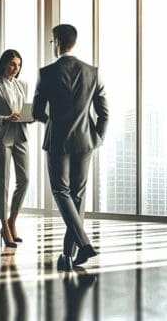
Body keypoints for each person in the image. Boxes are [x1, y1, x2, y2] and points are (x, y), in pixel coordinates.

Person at [33, 24, 109, 270]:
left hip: (58, 140)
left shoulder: (46, 73)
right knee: (77, 195)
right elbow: (104, 113)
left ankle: (83, 244)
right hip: (86, 141)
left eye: (52, 41)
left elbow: (36, 111)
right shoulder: (92, 72)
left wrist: (53, 122)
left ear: (56, 41)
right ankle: (68, 254)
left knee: (60, 190)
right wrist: (97, 138)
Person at [0, 49, 31, 248]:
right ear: (4, 64)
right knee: (2, 182)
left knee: (25, 180)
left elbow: (25, 109)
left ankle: (12, 220)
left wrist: (30, 116)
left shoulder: (23, 85)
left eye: (18, 65)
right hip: (3, 137)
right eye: (12, 64)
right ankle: (4, 225)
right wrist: (5, 118)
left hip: (21, 135)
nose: (15, 68)